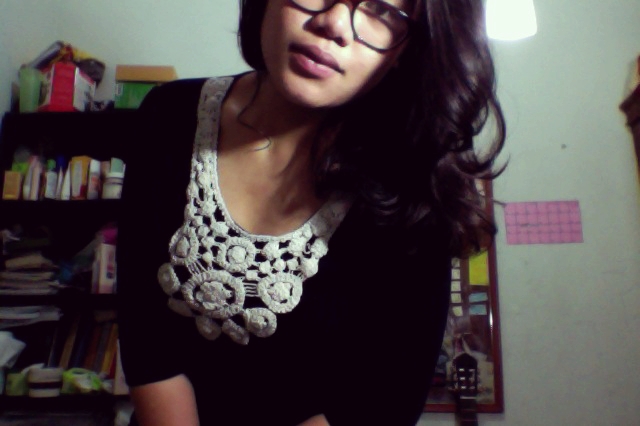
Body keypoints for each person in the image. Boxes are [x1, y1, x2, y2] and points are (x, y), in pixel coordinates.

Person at [117, 0, 505, 425]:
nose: (334, 24)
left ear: (405, 49)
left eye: (379, 8)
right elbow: (145, 331)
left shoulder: (416, 191)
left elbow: (384, 401)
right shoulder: (169, 113)